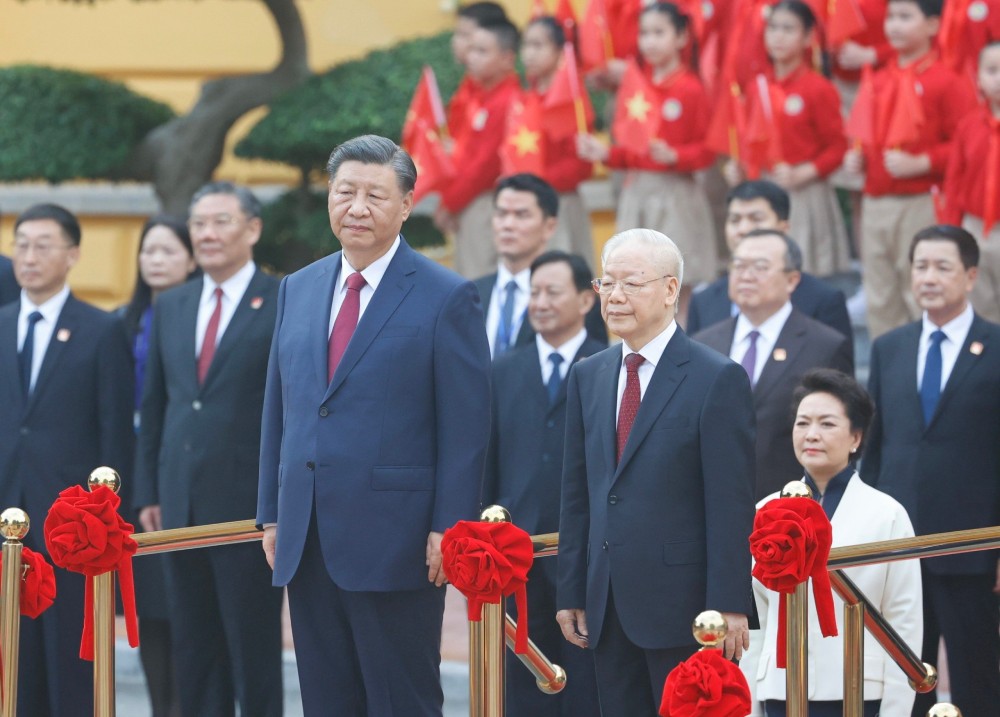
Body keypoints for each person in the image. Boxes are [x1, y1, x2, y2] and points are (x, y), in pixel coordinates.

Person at [257, 135, 492, 717]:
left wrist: (449, 526)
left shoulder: (446, 296)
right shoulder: (299, 287)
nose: (357, 208)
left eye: (375, 196)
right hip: (307, 532)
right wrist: (271, 511)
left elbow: (467, 426)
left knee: (399, 696)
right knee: (325, 696)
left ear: (407, 205)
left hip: (398, 539)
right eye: (346, 193)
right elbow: (279, 408)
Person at [556, 228, 756, 716]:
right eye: (608, 283)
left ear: (670, 290)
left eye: (632, 283)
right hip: (607, 601)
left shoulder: (716, 377)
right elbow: (579, 493)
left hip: (686, 607)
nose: (616, 296)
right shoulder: (590, 374)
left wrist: (729, 603)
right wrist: (573, 589)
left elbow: (729, 502)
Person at [134, 182, 283, 717]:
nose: (207, 234)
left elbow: (288, 408)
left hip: (248, 509)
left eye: (221, 221)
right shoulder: (172, 304)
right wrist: (149, 487)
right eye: (199, 224)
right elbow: (156, 406)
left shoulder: (282, 299)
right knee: (193, 646)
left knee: (251, 648)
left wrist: (279, 501)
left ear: (252, 229)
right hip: (179, 505)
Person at [0, 203, 133, 716]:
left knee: (69, 661)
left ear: (73, 254)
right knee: (13, 655)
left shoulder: (101, 330)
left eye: (43, 245)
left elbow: (115, 433)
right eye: (22, 244)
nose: (29, 257)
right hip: (7, 514)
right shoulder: (3, 322)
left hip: (71, 526)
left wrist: (106, 521)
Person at [862, 224, 1000, 717]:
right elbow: (875, 450)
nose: (929, 277)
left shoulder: (995, 345)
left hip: (974, 550)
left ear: (970, 277)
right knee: (904, 683)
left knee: (978, 682)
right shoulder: (890, 346)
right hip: (900, 550)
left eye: (942, 267)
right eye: (920, 266)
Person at [741, 369, 922, 717]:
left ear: (856, 436)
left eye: (827, 424)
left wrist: (897, 710)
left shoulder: (887, 514)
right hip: (779, 688)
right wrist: (751, 703)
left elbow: (903, 620)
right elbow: (756, 621)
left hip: (858, 688)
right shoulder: (764, 511)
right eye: (802, 423)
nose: (811, 434)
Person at [482, 249, 603, 717]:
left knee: (586, 681)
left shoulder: (607, 366)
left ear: (585, 301)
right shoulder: (502, 370)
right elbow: (489, 461)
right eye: (534, 292)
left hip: (587, 554)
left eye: (553, 291)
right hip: (516, 558)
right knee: (521, 683)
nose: (541, 302)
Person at [843, 0, 978, 339]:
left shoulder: (945, 80)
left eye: (906, 17)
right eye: (891, 17)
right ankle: (886, 373)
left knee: (919, 289)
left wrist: (924, 161)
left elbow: (968, 145)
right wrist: (856, 158)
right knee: (880, 293)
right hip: (875, 201)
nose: (894, 25)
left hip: (920, 200)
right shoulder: (878, 77)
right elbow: (864, 135)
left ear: (933, 25)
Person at [576, 3, 718, 318]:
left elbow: (709, 150)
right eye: (644, 34)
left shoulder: (691, 89)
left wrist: (676, 156)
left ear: (681, 38)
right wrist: (605, 154)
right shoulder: (635, 87)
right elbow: (631, 151)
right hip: (637, 192)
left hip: (676, 195)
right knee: (631, 282)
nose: (649, 42)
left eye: (659, 33)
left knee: (678, 287)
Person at [694, 229, 854, 500]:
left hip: (792, 505)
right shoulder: (703, 343)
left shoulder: (824, 345)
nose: (746, 275)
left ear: (792, 280)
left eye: (760, 267)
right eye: (739, 266)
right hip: (714, 498)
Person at [119, 215, 197, 717]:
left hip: (184, 477)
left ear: (191, 259)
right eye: (149, 251)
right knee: (147, 609)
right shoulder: (120, 322)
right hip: (132, 481)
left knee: (186, 610)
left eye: (168, 251)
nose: (156, 261)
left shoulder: (201, 318)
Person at [725, 1, 851, 277]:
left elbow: (839, 146)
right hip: (763, 191)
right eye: (772, 28)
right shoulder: (757, 86)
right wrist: (740, 168)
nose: (778, 36)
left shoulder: (818, 88)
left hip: (803, 194)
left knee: (802, 273)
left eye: (788, 29)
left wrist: (806, 171)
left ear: (808, 37)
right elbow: (750, 141)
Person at [685, 180, 853, 344]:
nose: (743, 229)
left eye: (756, 219)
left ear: (784, 227)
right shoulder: (703, 301)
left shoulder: (823, 300)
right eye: (735, 220)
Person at [474, 173, 605, 358]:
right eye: (501, 214)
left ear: (549, 226)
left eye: (522, 215)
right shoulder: (472, 294)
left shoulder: (577, 297)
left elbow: (597, 367)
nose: (508, 225)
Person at [436, 18, 522, 278]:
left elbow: (484, 166)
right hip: (469, 201)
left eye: (482, 51)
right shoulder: (478, 96)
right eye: (471, 49)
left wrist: (449, 204)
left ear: (507, 59)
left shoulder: (507, 101)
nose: (471, 57)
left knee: (479, 279)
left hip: (485, 201)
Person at [517, 15, 595, 260]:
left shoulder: (571, 101)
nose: (529, 54)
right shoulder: (525, 99)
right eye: (526, 45)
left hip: (560, 205)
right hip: (527, 205)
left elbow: (581, 165)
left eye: (538, 46)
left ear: (560, 50)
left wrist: (537, 183)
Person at [942, 41, 1000, 323]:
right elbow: (954, 182)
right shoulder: (969, 125)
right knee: (980, 305)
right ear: (978, 76)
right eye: (992, 70)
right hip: (976, 227)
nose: (999, 78)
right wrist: (952, 232)